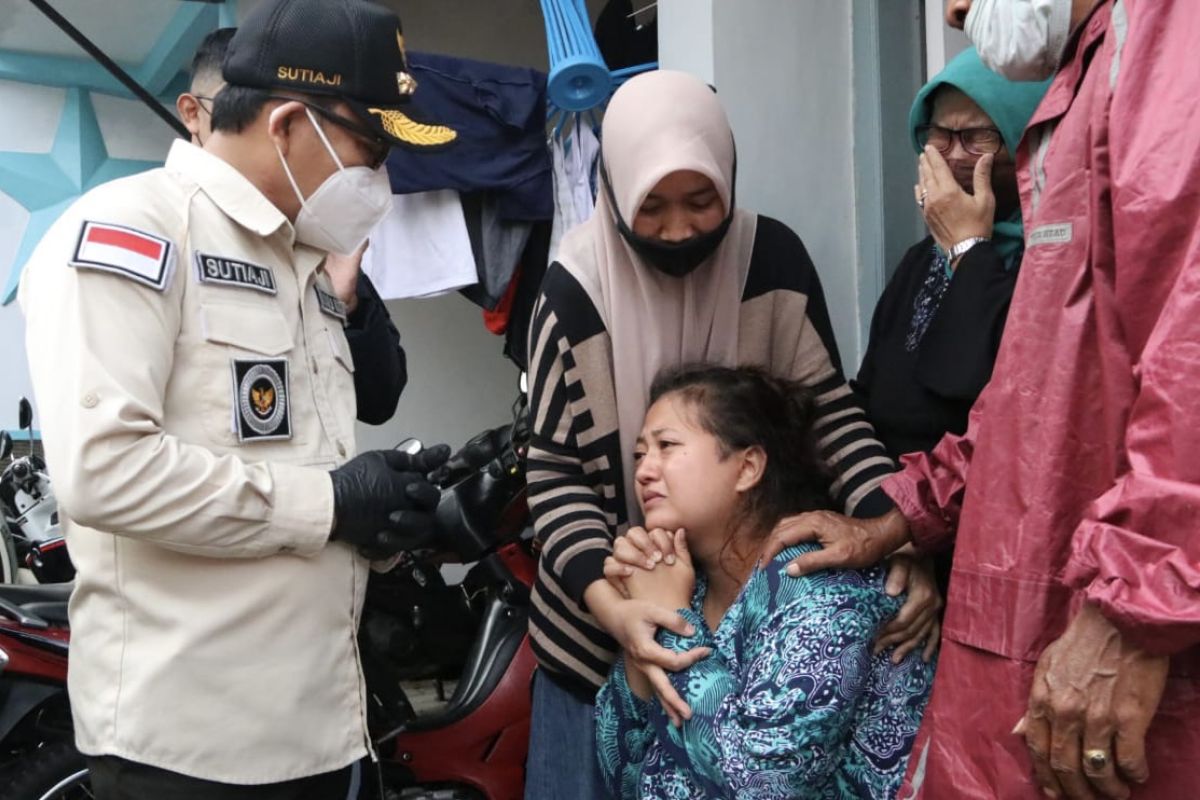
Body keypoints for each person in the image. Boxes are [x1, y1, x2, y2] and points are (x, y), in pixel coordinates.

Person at [18, 0, 458, 797]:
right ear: (290, 123)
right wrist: (327, 504)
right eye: (371, 147)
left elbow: (305, 458)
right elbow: (105, 471)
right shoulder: (135, 233)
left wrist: (383, 516)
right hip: (193, 751)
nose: (379, 178)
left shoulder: (309, 267)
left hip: (321, 729)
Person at [764, 0, 1200, 797]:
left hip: (1108, 663)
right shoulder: (1089, 81)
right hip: (1023, 636)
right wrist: (894, 517)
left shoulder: (1169, 38)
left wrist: (1134, 616)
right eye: (942, 137)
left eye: (977, 137)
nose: (958, 11)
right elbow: (1030, 402)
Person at [523, 70, 940, 799]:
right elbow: (553, 473)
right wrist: (622, 608)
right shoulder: (571, 290)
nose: (680, 229)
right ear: (617, 191)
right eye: (652, 206)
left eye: (701, 200)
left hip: (744, 605)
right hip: (598, 628)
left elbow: (832, 417)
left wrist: (893, 531)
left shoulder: (768, 260)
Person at [594, 365, 934, 799]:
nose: (643, 471)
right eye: (640, 454)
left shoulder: (825, 590)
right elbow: (623, 772)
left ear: (747, 467)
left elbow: (759, 785)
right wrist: (644, 630)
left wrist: (673, 624)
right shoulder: (682, 584)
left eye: (666, 445)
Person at [178, 26, 407, 427]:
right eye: (234, 113)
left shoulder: (311, 238)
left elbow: (380, 400)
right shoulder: (166, 232)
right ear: (193, 114)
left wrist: (347, 304)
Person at [855, 47, 1049, 461]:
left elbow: (972, 388)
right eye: (940, 135)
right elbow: (869, 389)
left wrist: (969, 249)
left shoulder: (1051, 258)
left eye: (981, 136)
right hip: (884, 489)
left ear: (1024, 141)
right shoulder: (921, 259)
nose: (956, 155)